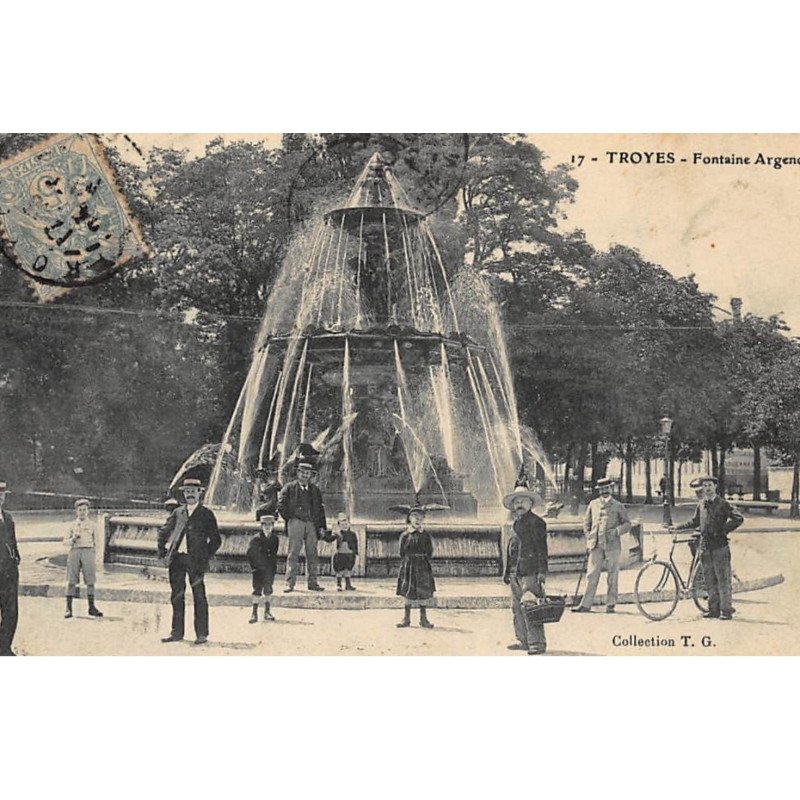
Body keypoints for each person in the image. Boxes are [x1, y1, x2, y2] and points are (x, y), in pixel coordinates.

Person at [157, 477, 221, 644]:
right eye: (187, 492)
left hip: (196, 561)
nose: (190, 495)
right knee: (176, 596)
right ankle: (176, 633)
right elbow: (163, 532)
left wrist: (205, 555)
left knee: (199, 596)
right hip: (177, 559)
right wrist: (162, 552)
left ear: (200, 493)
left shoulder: (206, 514)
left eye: (194, 491)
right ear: (183, 493)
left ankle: (202, 634)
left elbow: (216, 540)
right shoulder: (178, 512)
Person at [673, 476, 743, 620]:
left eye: (710, 485)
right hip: (705, 547)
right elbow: (694, 522)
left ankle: (726, 611)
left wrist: (723, 530)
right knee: (709, 579)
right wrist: (677, 527)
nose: (708, 488)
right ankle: (713, 610)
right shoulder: (701, 505)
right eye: (705, 486)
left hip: (720, 547)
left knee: (723, 579)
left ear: (715, 486)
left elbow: (738, 518)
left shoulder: (723, 504)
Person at [573, 477, 632, 614]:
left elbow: (627, 524)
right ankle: (585, 605)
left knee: (612, 575)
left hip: (612, 546)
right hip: (596, 545)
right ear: (599, 490)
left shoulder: (618, 506)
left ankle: (611, 604)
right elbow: (586, 523)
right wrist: (589, 537)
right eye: (602, 489)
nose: (604, 491)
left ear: (611, 488)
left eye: (607, 488)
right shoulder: (593, 504)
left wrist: (617, 531)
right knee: (591, 575)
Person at [502, 484, 549, 655]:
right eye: (516, 502)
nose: (519, 505)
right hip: (516, 572)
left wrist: (542, 572)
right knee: (516, 607)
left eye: (522, 501)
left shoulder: (537, 523)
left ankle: (537, 642)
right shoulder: (516, 523)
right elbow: (511, 549)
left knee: (531, 607)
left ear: (530, 503)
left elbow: (542, 549)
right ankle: (522, 640)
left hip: (530, 571)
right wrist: (508, 572)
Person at [277, 461, 327, 592]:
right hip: (296, 522)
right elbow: (280, 505)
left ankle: (312, 582)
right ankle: (289, 583)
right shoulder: (289, 488)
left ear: (310, 475)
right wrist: (290, 518)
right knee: (293, 553)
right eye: (302, 472)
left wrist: (322, 527)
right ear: (298, 473)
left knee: (312, 554)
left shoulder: (315, 490)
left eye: (307, 473)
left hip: (311, 524)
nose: (305, 475)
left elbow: (321, 510)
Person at [396, 505, 435, 629]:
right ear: (409, 519)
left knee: (423, 591)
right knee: (408, 591)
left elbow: (430, 551)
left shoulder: (425, 535)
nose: (418, 520)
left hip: (422, 566)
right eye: (415, 517)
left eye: (420, 517)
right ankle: (406, 618)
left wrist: (422, 560)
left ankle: (423, 619)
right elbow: (401, 552)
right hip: (409, 565)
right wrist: (409, 561)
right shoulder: (405, 535)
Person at [63, 498, 103, 619]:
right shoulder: (72, 525)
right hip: (75, 551)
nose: (82, 512)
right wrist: (72, 540)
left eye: (84, 510)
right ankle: (68, 608)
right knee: (71, 580)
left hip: (88, 551)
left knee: (90, 580)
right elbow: (64, 541)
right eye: (80, 510)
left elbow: (98, 542)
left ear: (88, 511)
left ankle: (91, 607)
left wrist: (96, 557)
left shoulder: (93, 525)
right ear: (76, 511)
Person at [246, 511, 279, 622]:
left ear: (273, 526)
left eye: (270, 525)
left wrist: (273, 567)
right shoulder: (256, 539)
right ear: (262, 526)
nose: (268, 527)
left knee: (268, 590)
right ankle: (254, 613)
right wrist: (255, 567)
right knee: (257, 590)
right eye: (265, 525)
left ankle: (267, 611)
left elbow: (274, 553)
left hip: (269, 569)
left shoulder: (275, 538)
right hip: (258, 570)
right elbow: (250, 554)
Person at [0, 480, 20, 656]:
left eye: (2, 494)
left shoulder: (8, 518)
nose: (0, 498)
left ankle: (4, 648)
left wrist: (16, 560)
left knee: (11, 611)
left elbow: (13, 543)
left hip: (9, 573)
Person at [323, 512, 359, 591]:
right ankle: (338, 584)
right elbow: (330, 539)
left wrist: (355, 553)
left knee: (347, 570)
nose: (344, 525)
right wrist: (324, 534)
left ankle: (348, 585)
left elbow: (355, 543)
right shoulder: (338, 534)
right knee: (339, 571)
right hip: (340, 554)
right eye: (342, 524)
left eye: (346, 523)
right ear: (339, 526)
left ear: (349, 524)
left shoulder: (352, 534)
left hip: (349, 554)